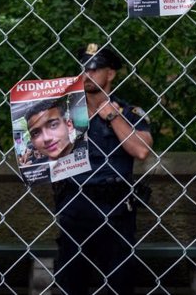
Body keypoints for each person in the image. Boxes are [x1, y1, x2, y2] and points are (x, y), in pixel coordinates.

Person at [53, 43, 153, 294]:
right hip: (75, 206)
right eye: (83, 68)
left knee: (118, 283)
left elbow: (141, 150)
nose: (87, 74)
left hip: (116, 209)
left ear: (110, 74)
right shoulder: (63, 114)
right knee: (71, 283)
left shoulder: (130, 112)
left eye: (94, 68)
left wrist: (112, 115)